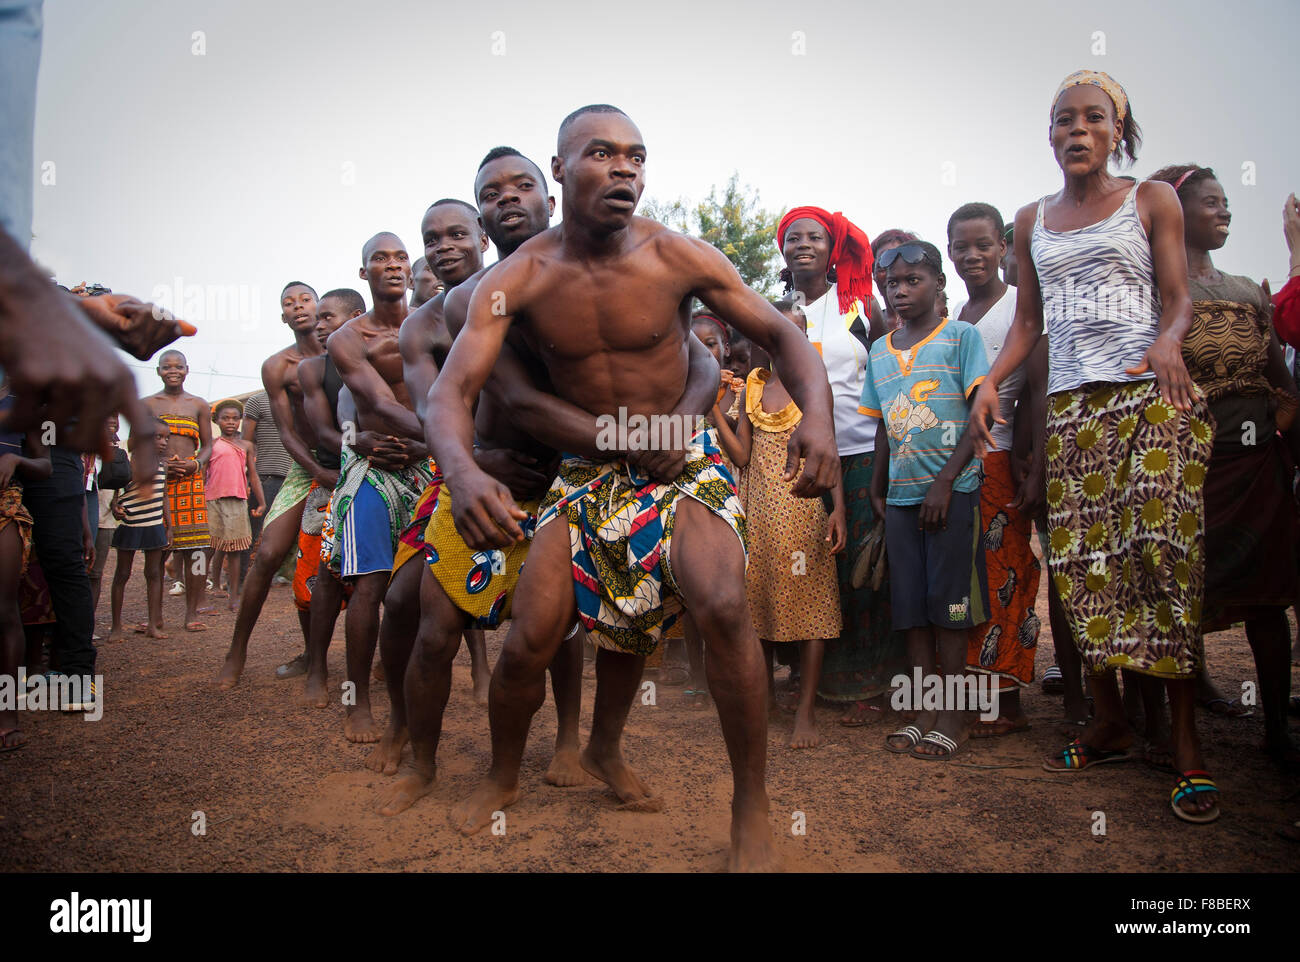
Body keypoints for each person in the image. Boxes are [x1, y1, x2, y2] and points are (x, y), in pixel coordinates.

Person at [427, 105, 838, 872]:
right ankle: (503, 772)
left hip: (683, 463)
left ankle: (751, 807)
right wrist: (463, 471)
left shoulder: (679, 256)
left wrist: (820, 418)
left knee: (721, 603)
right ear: (560, 171)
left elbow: (783, 337)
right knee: (529, 640)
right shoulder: (517, 278)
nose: (624, 170)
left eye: (637, 157)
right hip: (586, 473)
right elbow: (451, 393)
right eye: (601, 154)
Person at [970, 70, 1219, 823]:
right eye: (1061, 121)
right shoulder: (1030, 220)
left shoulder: (1152, 200)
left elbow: (1176, 301)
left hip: (1149, 403)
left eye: (1091, 119)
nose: (1074, 131)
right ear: (1049, 137)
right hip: (1074, 414)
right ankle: (1108, 722)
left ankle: (1184, 746)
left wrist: (1170, 342)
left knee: (1163, 563)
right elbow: (1026, 326)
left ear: (1118, 131)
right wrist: (991, 383)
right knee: (1083, 572)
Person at [1147, 164, 1300, 765]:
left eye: (1227, 203)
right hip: (1188, 463)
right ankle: (1173, 733)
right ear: (1179, 214)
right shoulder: (1158, 292)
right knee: (1177, 595)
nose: (1226, 213)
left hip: (1255, 460)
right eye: (1212, 203)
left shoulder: (1248, 293)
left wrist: (1279, 433)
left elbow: (1278, 378)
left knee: (1268, 596)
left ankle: (1277, 732)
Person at [361, 199, 492, 770]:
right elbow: (431, 407)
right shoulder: (423, 325)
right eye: (432, 239)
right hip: (452, 471)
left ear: (483, 238)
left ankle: (567, 742)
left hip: (537, 471)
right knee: (399, 597)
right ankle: (400, 724)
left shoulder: (528, 293)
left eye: (458, 234)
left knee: (554, 620)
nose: (445, 248)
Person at [862, 241, 991, 760]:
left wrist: (945, 482)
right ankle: (924, 709)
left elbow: (977, 417)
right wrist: (877, 484)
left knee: (950, 606)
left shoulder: (962, 338)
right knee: (911, 607)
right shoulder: (879, 351)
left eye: (913, 279)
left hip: (952, 492)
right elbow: (883, 429)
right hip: (899, 497)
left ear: (940, 284)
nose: (900, 290)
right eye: (892, 283)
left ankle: (955, 717)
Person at [776, 206, 904, 727]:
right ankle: (812, 677)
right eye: (794, 238)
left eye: (815, 237)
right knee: (809, 569)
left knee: (861, 569)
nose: (804, 245)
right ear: (782, 249)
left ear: (832, 250)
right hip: (797, 454)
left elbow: (887, 370)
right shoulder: (775, 309)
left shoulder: (858, 307)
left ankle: (867, 684)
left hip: (860, 450)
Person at [714, 298, 845, 748]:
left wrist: (839, 510)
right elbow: (741, 455)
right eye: (774, 333)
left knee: (811, 607)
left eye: (795, 333)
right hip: (758, 511)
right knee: (759, 603)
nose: (784, 341)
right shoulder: (752, 385)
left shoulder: (813, 387)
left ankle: (805, 711)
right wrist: (716, 408)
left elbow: (831, 452)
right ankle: (765, 699)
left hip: (804, 506)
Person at [323, 232, 436, 742]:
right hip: (375, 468)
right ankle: (359, 703)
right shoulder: (347, 338)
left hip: (428, 463)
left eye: (400, 258)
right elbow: (380, 404)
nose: (392, 266)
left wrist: (432, 449)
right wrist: (440, 438)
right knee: (369, 584)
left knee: (427, 584)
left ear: (411, 270)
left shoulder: (436, 323)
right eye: (379, 259)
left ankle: (413, 693)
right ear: (363, 272)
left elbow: (457, 392)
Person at [947, 202, 1044, 736]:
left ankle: (1008, 704)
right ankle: (977, 691)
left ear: (1004, 247)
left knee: (1008, 576)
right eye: (961, 246)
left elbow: (1036, 390)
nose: (972, 255)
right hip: (960, 468)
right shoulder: (958, 316)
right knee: (972, 583)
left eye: (983, 244)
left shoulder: (1019, 310)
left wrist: (1034, 468)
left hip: (1003, 461)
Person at [217, 282, 338, 689]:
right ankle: (237, 651)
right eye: (290, 303)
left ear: (320, 306)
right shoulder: (277, 366)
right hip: (307, 466)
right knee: (269, 552)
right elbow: (287, 433)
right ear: (282, 316)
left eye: (306, 299)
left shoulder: (343, 349)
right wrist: (317, 473)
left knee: (338, 562)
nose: (299, 307)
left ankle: (320, 656)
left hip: (357, 462)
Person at [278, 287, 364, 679]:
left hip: (387, 473)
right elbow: (324, 432)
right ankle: (316, 663)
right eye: (320, 317)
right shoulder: (312, 369)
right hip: (332, 477)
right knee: (313, 577)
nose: (319, 324)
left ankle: (383, 663)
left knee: (391, 578)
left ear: (357, 317)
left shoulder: (378, 358)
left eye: (329, 317)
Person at [142, 350, 211, 632]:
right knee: (156, 549)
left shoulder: (198, 404)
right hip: (157, 480)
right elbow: (137, 442)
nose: (173, 370)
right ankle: (154, 617)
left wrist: (195, 464)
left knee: (197, 549)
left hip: (190, 483)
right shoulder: (147, 404)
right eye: (166, 367)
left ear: (187, 369)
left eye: (178, 366)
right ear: (158, 371)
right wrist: (159, 465)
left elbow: (208, 445)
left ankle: (191, 613)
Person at [0, 376, 51, 751]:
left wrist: (15, 457)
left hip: (4, 507)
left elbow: (45, 465)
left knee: (5, 611)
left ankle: (6, 715)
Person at [108, 420, 171, 643]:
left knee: (154, 574)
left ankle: (153, 625)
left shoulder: (163, 465)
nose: (163, 442)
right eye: (157, 437)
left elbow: (163, 496)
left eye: (166, 438)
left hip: (154, 525)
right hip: (131, 524)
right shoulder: (129, 463)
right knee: (122, 574)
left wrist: (169, 526)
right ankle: (116, 627)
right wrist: (115, 508)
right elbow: (116, 495)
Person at [206, 400, 265, 613]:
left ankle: (233, 596)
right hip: (213, 500)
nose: (230, 422)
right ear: (217, 421)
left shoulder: (246, 446)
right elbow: (203, 472)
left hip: (239, 500)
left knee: (235, 550)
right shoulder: (212, 445)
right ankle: (204, 592)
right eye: (225, 418)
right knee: (208, 548)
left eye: (234, 418)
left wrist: (261, 501)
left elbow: (253, 475)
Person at [240, 389, 292, 591]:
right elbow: (246, 441)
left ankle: (277, 575)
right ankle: (240, 579)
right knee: (253, 529)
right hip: (265, 474)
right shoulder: (257, 401)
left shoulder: (298, 400)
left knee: (281, 530)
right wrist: (248, 475)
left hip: (293, 476)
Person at [871, 229, 919, 334]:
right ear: (873, 274)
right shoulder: (866, 325)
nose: (891, 274)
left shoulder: (938, 324)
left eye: (901, 264)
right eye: (882, 266)